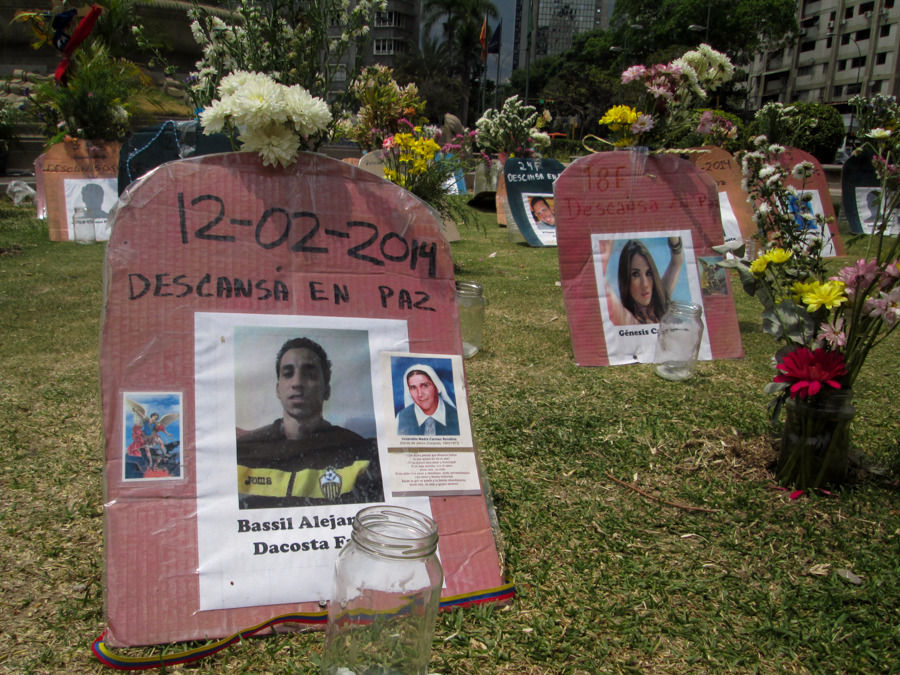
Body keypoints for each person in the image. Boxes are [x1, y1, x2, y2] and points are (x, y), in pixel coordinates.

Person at [236, 337, 384, 509]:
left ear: (326, 391)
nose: (297, 383)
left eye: (310, 375)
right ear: (278, 389)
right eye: (288, 374)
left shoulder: (362, 453)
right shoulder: (244, 452)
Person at [599, 237, 684, 325]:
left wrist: (672, 234)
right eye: (636, 274)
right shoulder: (626, 319)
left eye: (648, 273)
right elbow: (599, 279)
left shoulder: (660, 301)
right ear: (626, 280)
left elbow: (677, 261)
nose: (645, 284)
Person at [396, 364, 460, 436]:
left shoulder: (457, 418)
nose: (419, 394)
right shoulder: (401, 417)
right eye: (413, 388)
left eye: (424, 386)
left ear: (437, 387)